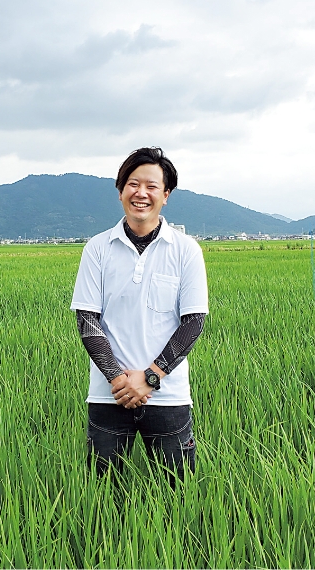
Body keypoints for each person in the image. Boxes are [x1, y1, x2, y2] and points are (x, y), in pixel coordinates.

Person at [70, 147, 209, 481]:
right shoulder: (98, 248)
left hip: (168, 396)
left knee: (177, 493)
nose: (141, 193)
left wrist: (150, 377)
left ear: (166, 195)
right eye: (133, 184)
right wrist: (118, 379)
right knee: (101, 497)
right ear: (120, 191)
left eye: (151, 186)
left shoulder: (186, 250)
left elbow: (193, 323)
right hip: (108, 395)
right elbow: (88, 320)